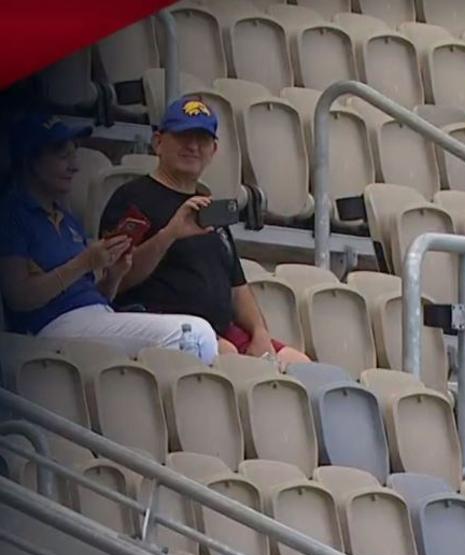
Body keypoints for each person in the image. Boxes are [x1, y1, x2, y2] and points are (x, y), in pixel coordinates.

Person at [98, 98, 309, 367]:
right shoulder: (133, 197)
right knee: (229, 354)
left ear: (214, 150)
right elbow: (116, 280)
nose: (193, 146)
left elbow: (237, 286)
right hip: (166, 328)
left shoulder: (210, 206)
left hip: (223, 331)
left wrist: (260, 333)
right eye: (183, 136)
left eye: (202, 139)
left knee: (301, 365)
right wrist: (170, 233)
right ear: (158, 142)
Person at [0, 113, 218, 362]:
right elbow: (18, 297)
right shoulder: (12, 215)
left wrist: (114, 275)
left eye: (74, 154)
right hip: (50, 327)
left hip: (96, 316)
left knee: (196, 336)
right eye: (62, 156)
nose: (75, 166)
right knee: (194, 334)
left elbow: (93, 295)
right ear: (31, 159)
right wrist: (84, 262)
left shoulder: (66, 218)